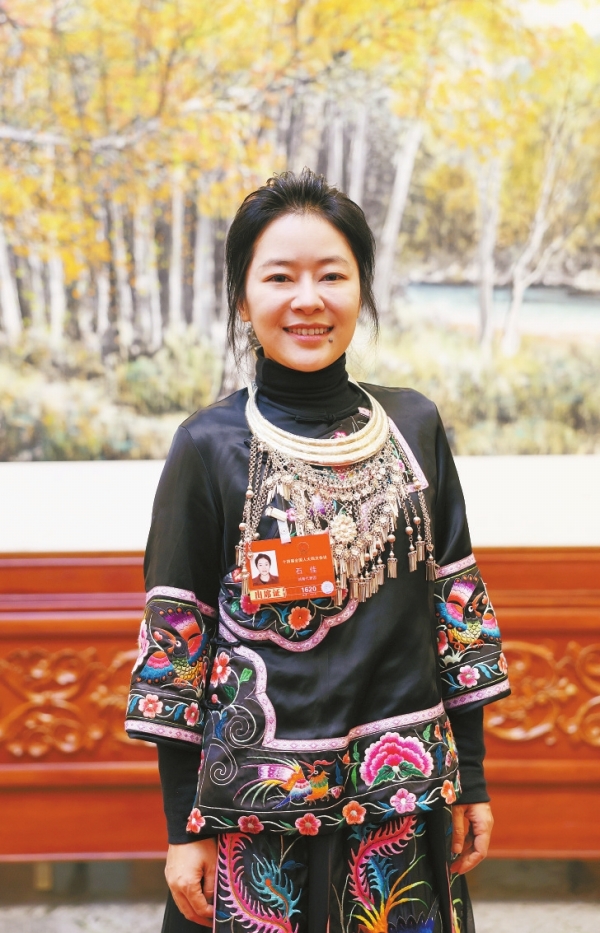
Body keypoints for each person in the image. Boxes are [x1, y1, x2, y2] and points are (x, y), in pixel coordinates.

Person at [125, 169, 510, 932]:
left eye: (332, 275)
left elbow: (456, 618)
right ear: (243, 299)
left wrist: (470, 777)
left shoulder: (415, 426)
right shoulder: (207, 447)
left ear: (361, 289)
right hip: (255, 822)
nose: (309, 299)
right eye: (280, 277)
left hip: (404, 805)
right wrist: (182, 827)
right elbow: (178, 652)